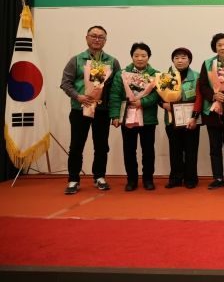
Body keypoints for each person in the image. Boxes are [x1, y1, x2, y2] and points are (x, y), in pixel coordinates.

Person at [60, 25, 121, 195]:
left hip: (102, 110)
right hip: (80, 109)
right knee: (76, 145)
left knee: (101, 146)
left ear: (105, 41)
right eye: (93, 36)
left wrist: (115, 112)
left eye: (101, 37)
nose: (97, 39)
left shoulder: (112, 62)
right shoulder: (76, 60)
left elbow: (116, 88)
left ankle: (99, 177)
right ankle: (73, 179)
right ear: (86, 38)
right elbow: (65, 83)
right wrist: (78, 96)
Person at [194, 33, 224, 190]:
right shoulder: (208, 63)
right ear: (215, 47)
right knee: (214, 147)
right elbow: (203, 85)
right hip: (212, 110)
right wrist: (214, 95)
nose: (223, 47)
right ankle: (217, 177)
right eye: (219, 45)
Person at [109, 42, 160, 191]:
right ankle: (131, 180)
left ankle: (148, 179)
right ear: (131, 56)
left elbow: (157, 95)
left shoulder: (156, 75)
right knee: (129, 150)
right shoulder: (122, 74)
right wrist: (115, 115)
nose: (140, 58)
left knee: (148, 150)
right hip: (128, 117)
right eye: (136, 55)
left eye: (143, 55)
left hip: (148, 118)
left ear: (149, 57)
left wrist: (142, 102)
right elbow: (115, 95)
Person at [161, 47, 200, 189]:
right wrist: (163, 104)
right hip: (172, 119)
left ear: (189, 60)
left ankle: (191, 178)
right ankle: (176, 178)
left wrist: (195, 117)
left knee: (191, 150)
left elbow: (199, 99)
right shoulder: (166, 77)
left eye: (183, 57)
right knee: (175, 150)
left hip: (191, 119)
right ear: (173, 60)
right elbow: (158, 96)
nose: (180, 60)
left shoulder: (197, 76)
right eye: (176, 58)